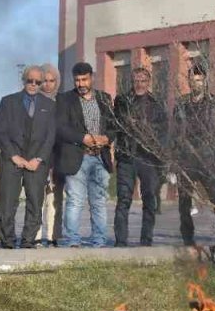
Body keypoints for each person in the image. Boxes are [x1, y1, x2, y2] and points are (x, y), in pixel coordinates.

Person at [173, 66, 215, 246]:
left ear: (205, 81)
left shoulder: (214, 104)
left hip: (209, 159)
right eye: (193, 80)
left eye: (199, 80)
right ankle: (187, 238)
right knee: (184, 202)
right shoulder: (181, 104)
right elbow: (174, 133)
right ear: (189, 81)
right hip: (186, 159)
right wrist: (174, 160)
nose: (196, 83)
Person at [55, 62, 116, 248]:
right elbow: (61, 128)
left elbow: (113, 127)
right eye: (77, 80)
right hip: (76, 157)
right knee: (75, 201)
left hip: (100, 158)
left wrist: (107, 138)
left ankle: (99, 240)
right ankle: (73, 241)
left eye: (84, 79)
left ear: (92, 78)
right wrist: (83, 138)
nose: (81, 84)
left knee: (99, 202)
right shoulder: (65, 99)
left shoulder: (104, 98)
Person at [0, 65, 56, 248]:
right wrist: (14, 156)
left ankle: (28, 241)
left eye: (38, 82)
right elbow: (0, 132)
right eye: (30, 80)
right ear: (24, 80)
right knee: (7, 203)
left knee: (35, 203)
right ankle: (7, 241)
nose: (33, 84)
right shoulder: (8, 102)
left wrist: (38, 159)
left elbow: (50, 136)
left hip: (36, 163)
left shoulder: (50, 105)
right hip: (12, 160)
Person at [113, 67, 167, 247]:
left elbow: (162, 131)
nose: (140, 84)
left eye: (143, 80)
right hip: (127, 156)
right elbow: (120, 124)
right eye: (136, 80)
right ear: (132, 81)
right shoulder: (122, 101)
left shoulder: (156, 103)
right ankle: (121, 241)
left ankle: (146, 240)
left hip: (148, 158)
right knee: (123, 199)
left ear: (148, 82)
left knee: (149, 199)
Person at [39, 63, 62, 246]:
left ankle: (53, 237)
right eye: (44, 80)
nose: (47, 84)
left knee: (54, 200)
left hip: (57, 158)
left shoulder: (62, 102)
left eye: (51, 80)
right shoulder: (33, 101)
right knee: (37, 199)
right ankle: (36, 236)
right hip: (37, 157)